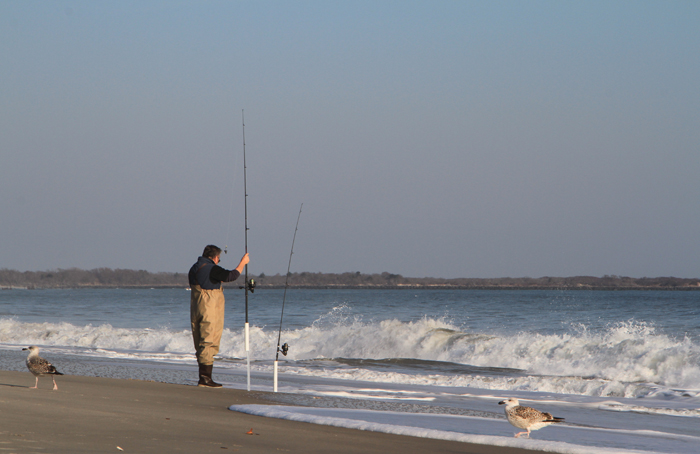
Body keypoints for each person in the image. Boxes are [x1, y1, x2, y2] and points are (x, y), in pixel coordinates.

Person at [188, 245, 250, 387]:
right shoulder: (212, 268)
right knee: (209, 340)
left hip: (196, 307)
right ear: (215, 257)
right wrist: (243, 262)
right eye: (219, 259)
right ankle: (205, 379)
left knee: (200, 341)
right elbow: (231, 276)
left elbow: (208, 280)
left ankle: (204, 377)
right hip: (209, 308)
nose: (218, 261)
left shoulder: (194, 268)